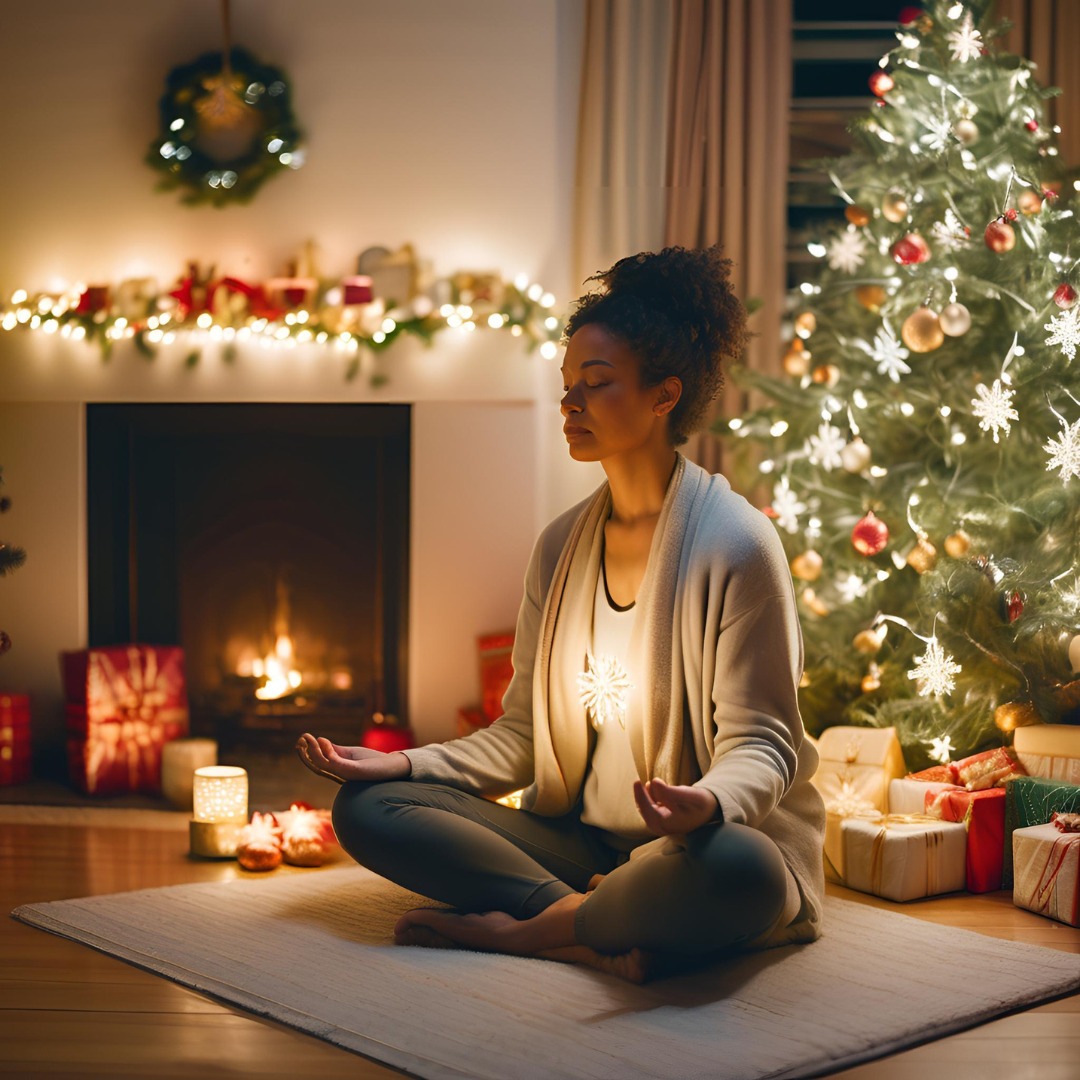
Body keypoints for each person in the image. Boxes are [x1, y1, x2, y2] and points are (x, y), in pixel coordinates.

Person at [298, 246, 826, 982]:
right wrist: (405, 761)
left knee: (745, 870)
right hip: (578, 847)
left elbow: (765, 747)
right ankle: (586, 924)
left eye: (596, 384)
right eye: (567, 384)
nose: (569, 403)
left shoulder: (737, 545)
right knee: (367, 807)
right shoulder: (559, 547)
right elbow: (520, 734)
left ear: (663, 396)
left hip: (692, 849)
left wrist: (704, 803)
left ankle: (526, 932)